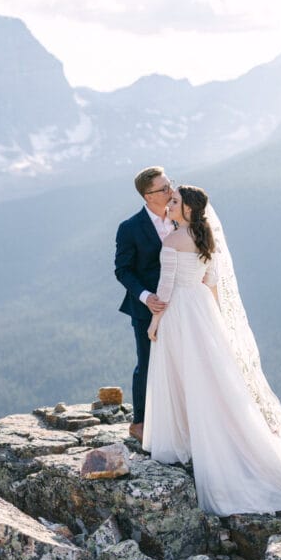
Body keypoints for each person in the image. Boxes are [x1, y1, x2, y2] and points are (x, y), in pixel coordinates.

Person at [143, 185, 281, 524]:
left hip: (181, 314)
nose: (169, 205)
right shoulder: (206, 241)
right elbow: (212, 283)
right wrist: (215, 322)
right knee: (211, 381)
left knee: (181, 375)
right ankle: (215, 437)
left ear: (187, 210)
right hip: (203, 312)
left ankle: (183, 443)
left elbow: (166, 289)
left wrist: (155, 322)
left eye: (174, 202)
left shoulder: (171, 243)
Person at [114, 166, 175, 443]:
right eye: (163, 188)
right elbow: (123, 270)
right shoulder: (129, 228)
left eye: (169, 184)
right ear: (148, 196)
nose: (169, 191)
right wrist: (145, 297)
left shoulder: (180, 217)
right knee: (147, 363)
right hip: (146, 308)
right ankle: (140, 422)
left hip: (181, 303)